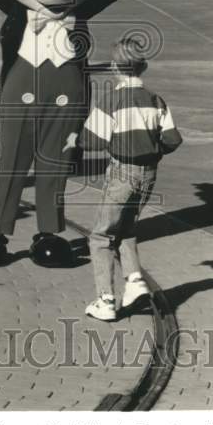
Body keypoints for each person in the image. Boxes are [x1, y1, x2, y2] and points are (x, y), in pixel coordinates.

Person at [79, 36, 183, 321]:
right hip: (149, 173)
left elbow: (91, 141)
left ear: (115, 67)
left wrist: (74, 138)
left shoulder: (112, 101)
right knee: (126, 227)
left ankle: (106, 300)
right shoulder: (155, 99)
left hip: (122, 172)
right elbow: (173, 139)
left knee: (101, 236)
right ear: (142, 67)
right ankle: (135, 280)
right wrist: (153, 150)